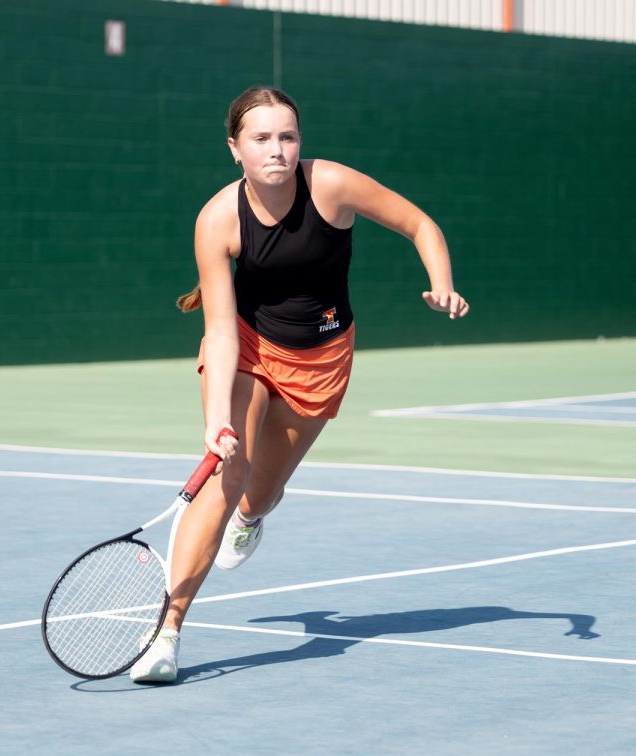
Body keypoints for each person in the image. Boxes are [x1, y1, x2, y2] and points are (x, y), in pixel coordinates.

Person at [129, 86, 470, 683]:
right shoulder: (217, 219)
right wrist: (217, 421)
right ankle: (166, 632)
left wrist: (441, 282)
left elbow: (420, 223)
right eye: (261, 139)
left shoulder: (331, 185)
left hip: (322, 356)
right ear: (235, 148)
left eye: (287, 136)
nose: (277, 150)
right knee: (226, 475)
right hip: (249, 345)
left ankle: (253, 516)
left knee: (259, 492)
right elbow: (222, 331)